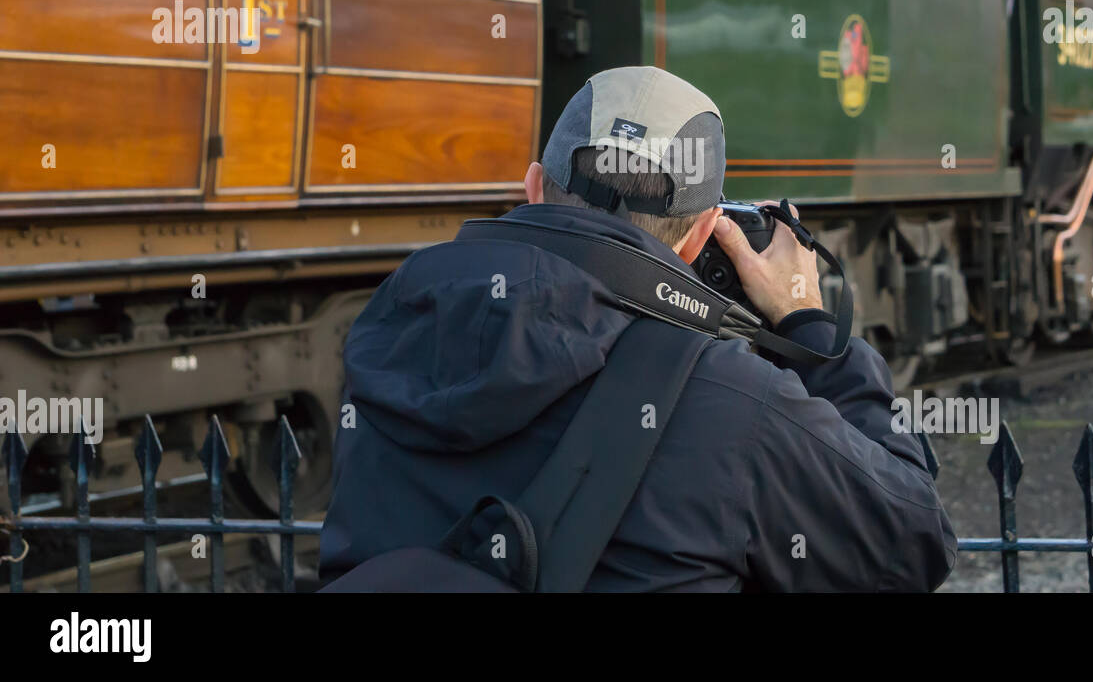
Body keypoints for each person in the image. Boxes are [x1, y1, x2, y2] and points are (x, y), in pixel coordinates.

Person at [319, 66, 957, 591]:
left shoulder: (392, 327)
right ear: (706, 234)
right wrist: (809, 329)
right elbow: (913, 540)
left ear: (535, 186)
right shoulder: (732, 402)